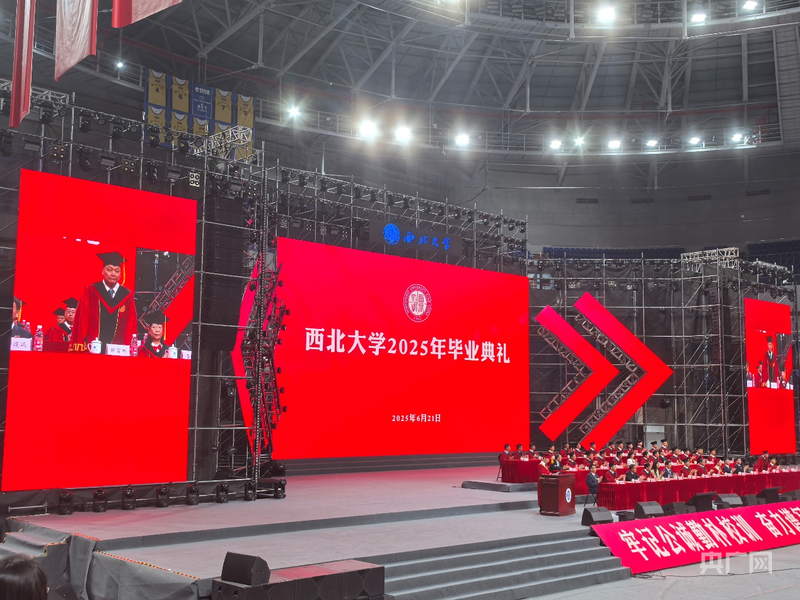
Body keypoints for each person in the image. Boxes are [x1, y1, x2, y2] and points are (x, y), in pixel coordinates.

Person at [71, 252, 137, 352]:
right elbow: (82, 321)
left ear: (120, 274)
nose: (113, 274)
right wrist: (81, 346)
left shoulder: (127, 296)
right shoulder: (91, 291)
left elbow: (130, 326)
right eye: (109, 269)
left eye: (117, 271)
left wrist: (128, 350)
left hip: (116, 351)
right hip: (92, 349)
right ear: (102, 271)